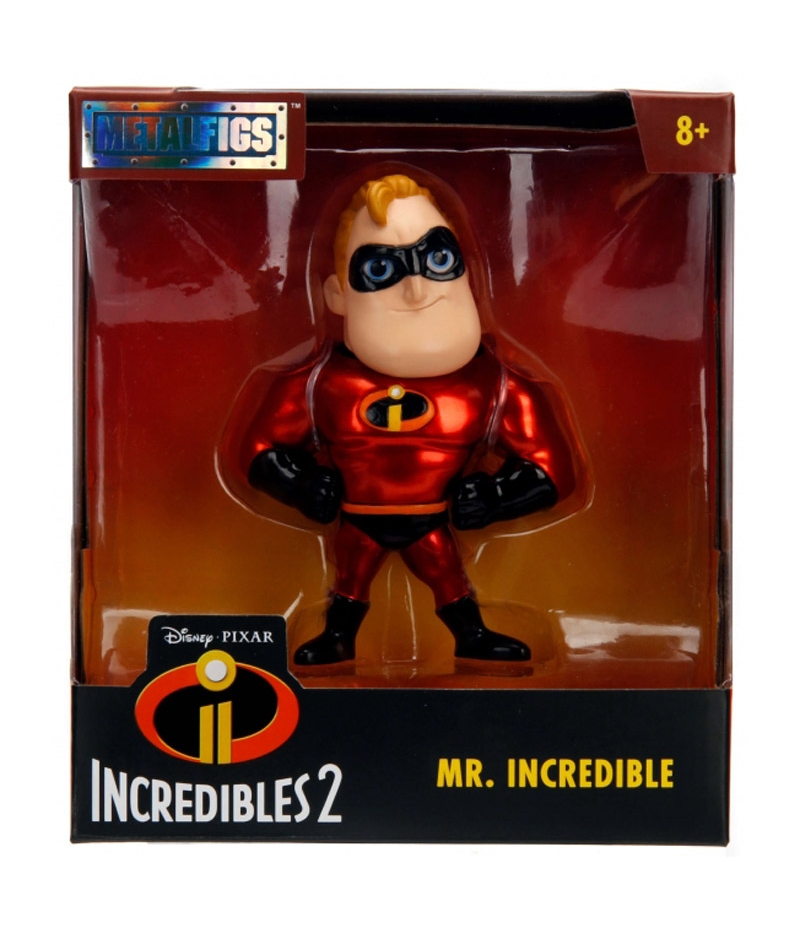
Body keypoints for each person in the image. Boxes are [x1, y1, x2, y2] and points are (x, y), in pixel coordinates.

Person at [247, 173, 576, 665]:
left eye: (437, 260)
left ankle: (471, 635)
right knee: (351, 578)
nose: (418, 290)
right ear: (338, 295)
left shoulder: (493, 386)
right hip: (359, 516)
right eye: (382, 269)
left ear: (467, 275)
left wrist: (496, 497)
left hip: (431, 517)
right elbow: (259, 451)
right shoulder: (321, 384)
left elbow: (553, 469)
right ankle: (337, 636)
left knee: (446, 575)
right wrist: (300, 485)